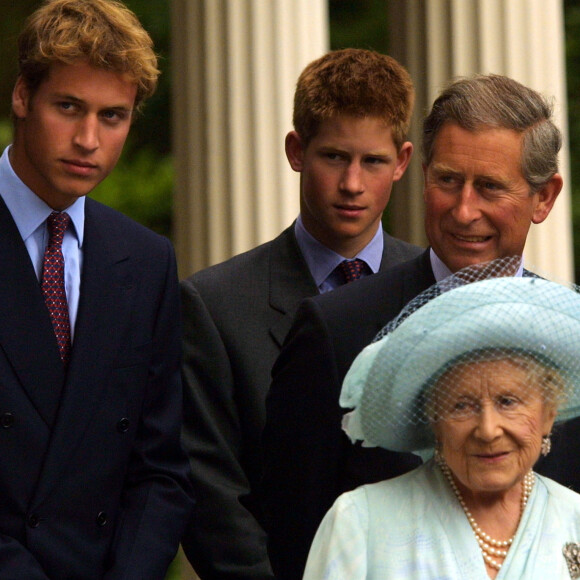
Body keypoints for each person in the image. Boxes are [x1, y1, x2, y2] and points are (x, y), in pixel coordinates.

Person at [261, 74, 564, 579]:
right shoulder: (336, 330)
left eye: (489, 187)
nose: (464, 211)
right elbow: (296, 536)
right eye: (447, 181)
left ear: (544, 198)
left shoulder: (569, 337)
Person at [180, 48, 422, 579]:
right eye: (334, 157)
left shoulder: (438, 289)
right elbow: (212, 497)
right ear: (296, 150)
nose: (353, 184)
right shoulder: (214, 305)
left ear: (402, 161)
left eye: (374, 161)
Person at [0, 1, 194, 578]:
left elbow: (160, 469)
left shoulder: (146, 259)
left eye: (112, 116)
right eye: (68, 107)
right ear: (21, 97)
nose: (89, 138)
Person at [303, 269, 580, 579]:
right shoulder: (361, 522)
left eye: (508, 402)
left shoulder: (574, 519)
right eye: (462, 405)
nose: (488, 430)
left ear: (549, 413)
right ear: (433, 419)